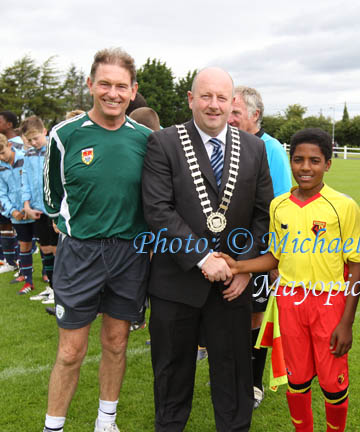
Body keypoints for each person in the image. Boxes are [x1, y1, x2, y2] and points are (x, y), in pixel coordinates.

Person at [141, 67, 273, 431]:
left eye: (221, 97)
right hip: (176, 284)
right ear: (191, 99)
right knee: (171, 378)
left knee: (234, 381)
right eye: (205, 96)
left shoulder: (255, 148)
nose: (213, 105)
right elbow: (158, 208)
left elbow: (264, 216)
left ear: (232, 102)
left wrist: (245, 269)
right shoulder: (164, 143)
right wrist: (201, 256)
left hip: (233, 288)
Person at [217, 127, 360, 431]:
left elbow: (355, 267)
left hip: (329, 304)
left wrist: (347, 322)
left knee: (332, 382)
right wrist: (238, 267)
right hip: (289, 302)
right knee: (296, 379)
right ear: (290, 162)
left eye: (314, 160)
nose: (305, 167)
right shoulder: (279, 206)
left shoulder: (343, 206)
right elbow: (276, 257)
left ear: (328, 164)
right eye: (298, 160)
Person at [42, 48, 151, 432]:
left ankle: (106, 422)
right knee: (70, 351)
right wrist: (69, 225)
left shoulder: (147, 140)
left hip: (130, 254)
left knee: (117, 342)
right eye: (104, 84)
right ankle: (52, 426)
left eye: (121, 86)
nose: (113, 93)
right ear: (90, 85)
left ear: (133, 90)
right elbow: (52, 198)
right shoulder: (64, 135)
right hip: (80, 253)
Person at [228, 85, 292, 408]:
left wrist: (276, 258)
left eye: (235, 112)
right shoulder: (227, 144)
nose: (229, 117)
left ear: (255, 115)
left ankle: (253, 384)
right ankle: (233, 375)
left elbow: (281, 206)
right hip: (227, 247)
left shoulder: (272, 149)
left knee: (254, 315)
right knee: (229, 313)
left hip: (259, 249)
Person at [20, 117, 58, 304]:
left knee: (56, 248)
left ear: (44, 131)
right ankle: (51, 286)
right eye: (30, 140)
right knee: (44, 248)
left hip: (53, 208)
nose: (33, 143)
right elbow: (25, 180)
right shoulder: (28, 154)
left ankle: (60, 290)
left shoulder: (54, 149)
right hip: (36, 208)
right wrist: (26, 205)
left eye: (35, 138)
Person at [0, 133, 35, 293]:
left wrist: (29, 205)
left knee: (44, 245)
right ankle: (27, 278)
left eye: (3, 152)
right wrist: (13, 211)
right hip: (17, 213)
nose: (1, 157)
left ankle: (47, 274)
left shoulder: (26, 159)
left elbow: (34, 183)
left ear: (9, 145)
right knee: (23, 244)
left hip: (33, 210)